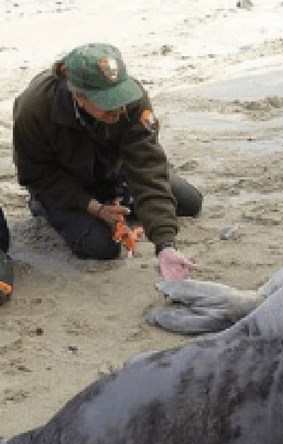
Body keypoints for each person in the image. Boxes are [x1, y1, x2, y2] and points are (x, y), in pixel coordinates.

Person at [12, 43, 202, 280]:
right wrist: (94, 207)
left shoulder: (132, 99)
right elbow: (36, 175)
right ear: (78, 96)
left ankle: (121, 199)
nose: (121, 110)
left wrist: (165, 246)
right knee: (103, 248)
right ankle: (46, 208)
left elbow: (147, 166)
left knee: (190, 202)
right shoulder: (34, 108)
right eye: (108, 103)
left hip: (113, 172)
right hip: (64, 184)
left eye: (120, 97)